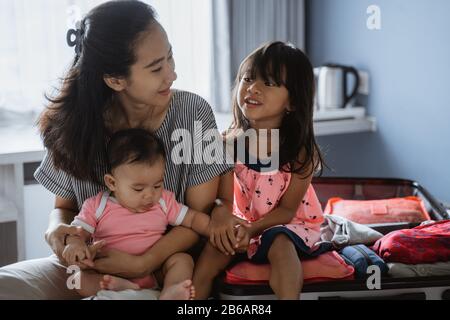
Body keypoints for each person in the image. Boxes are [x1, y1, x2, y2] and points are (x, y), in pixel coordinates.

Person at [0, 0, 233, 299]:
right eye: (156, 67)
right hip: (92, 270)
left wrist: (142, 262)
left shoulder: (192, 112)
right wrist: (57, 234)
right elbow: (64, 209)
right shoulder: (72, 124)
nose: (171, 74)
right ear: (114, 80)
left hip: (169, 269)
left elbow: (197, 217)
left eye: (170, 57)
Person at [193, 41, 326, 300]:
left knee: (281, 245)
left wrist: (254, 230)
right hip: (241, 223)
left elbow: (287, 210)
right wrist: (226, 219)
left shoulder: (300, 153)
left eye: (269, 83)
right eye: (248, 79)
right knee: (212, 251)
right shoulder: (227, 144)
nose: (253, 88)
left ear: (293, 103)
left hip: (284, 224)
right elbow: (224, 199)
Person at [63, 128, 213, 299]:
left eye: (157, 185)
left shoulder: (164, 201)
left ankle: (171, 290)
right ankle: (121, 286)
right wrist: (75, 245)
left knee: (183, 260)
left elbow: (192, 218)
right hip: (109, 271)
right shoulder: (97, 205)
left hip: (155, 272)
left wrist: (214, 229)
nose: (150, 195)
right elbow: (77, 231)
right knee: (77, 279)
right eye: (138, 188)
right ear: (112, 182)